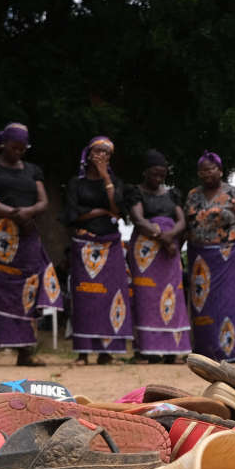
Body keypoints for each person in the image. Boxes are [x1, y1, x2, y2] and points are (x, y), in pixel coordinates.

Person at [0, 123, 63, 367]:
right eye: (14, 147)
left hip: (26, 236)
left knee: (27, 289)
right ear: (3, 144)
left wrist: (27, 213)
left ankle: (25, 351)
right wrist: (13, 213)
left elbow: (43, 202)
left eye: (22, 148)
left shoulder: (33, 170)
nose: (18, 152)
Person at [185, 152, 235, 361]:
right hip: (199, 257)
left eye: (211, 169)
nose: (207, 174)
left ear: (220, 170)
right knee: (204, 306)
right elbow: (187, 226)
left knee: (231, 303)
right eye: (203, 170)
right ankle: (207, 352)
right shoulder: (193, 195)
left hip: (229, 257)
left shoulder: (234, 194)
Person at [65, 136, 133, 364]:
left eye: (106, 153)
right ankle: (83, 353)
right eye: (98, 151)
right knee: (85, 296)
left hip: (110, 244)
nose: (102, 155)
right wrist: (101, 212)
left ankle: (107, 352)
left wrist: (106, 177)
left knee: (110, 296)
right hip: (83, 244)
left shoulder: (115, 182)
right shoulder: (76, 183)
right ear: (88, 154)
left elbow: (118, 210)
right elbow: (73, 214)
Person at [126, 149, 191, 363]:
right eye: (154, 173)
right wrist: (162, 238)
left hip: (169, 253)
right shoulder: (136, 192)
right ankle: (149, 350)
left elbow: (181, 221)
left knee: (173, 296)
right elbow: (138, 219)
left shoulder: (172, 194)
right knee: (147, 298)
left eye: (162, 174)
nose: (158, 178)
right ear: (145, 172)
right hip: (146, 253)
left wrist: (170, 237)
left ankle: (172, 350)